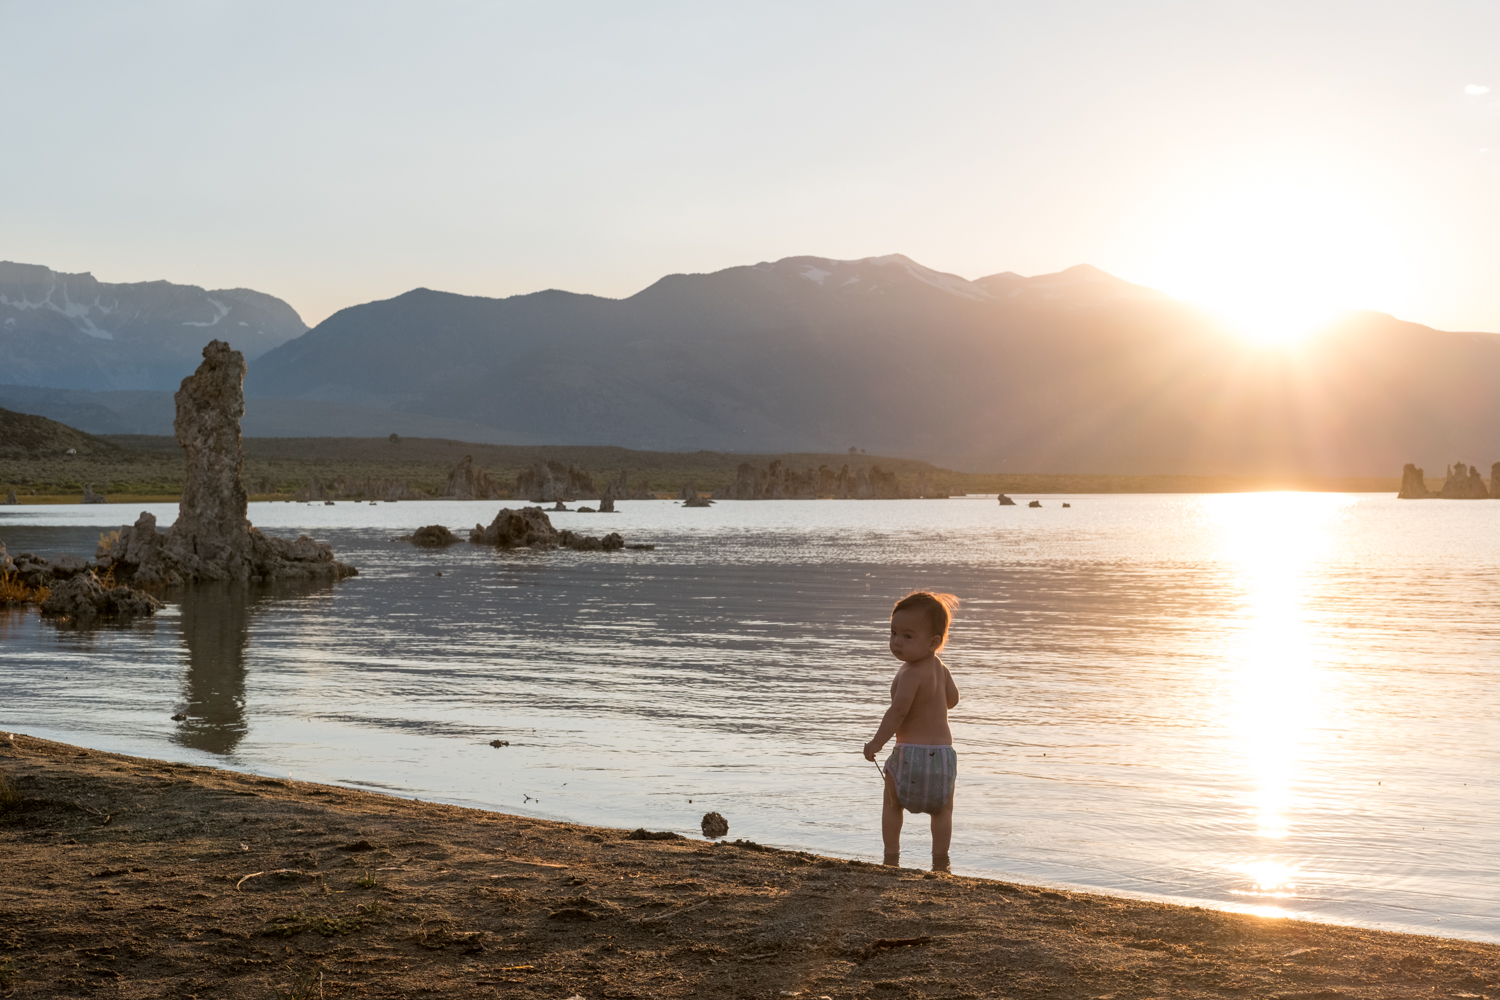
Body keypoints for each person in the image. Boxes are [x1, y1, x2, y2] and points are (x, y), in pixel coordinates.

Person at [863, 591, 961, 872]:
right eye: (893, 633)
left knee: (893, 804)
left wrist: (876, 743)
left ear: (933, 642)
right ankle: (940, 861)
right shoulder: (940, 669)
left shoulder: (909, 673)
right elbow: (952, 700)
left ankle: (891, 855)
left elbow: (898, 712)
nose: (896, 642)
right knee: (943, 810)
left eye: (908, 636)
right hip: (943, 756)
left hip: (910, 754)